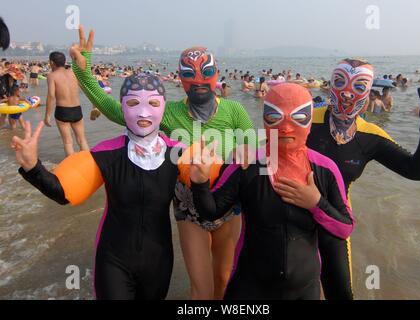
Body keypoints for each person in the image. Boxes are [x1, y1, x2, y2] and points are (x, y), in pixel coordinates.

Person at [70, 27, 254, 300]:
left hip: (229, 205)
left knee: (223, 280)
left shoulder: (234, 110)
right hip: (189, 208)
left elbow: (256, 148)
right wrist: (83, 72)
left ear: (217, 75)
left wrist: (247, 149)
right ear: (180, 78)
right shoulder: (167, 112)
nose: (199, 81)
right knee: (202, 290)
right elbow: (114, 109)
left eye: (206, 73)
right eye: (190, 74)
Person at [12, 73, 184, 300]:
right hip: (114, 260)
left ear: (163, 107)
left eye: (152, 103)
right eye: (133, 103)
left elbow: (214, 194)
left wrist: (241, 158)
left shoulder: (179, 154)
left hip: (159, 261)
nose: (143, 113)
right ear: (122, 107)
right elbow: (63, 192)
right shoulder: (105, 154)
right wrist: (33, 166)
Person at [188, 83, 354, 299]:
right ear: (264, 119)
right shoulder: (247, 164)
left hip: (303, 288)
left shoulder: (325, 169)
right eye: (275, 117)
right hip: (251, 284)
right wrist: (200, 181)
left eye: (298, 117)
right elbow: (210, 212)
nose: (285, 128)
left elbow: (345, 228)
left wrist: (316, 203)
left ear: (310, 121)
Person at [307, 58, 420, 300]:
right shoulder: (306, 119)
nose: (348, 93)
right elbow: (269, 153)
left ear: (368, 93)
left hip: (335, 223)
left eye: (358, 87)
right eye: (340, 82)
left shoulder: (370, 136)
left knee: (340, 295)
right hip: (290, 221)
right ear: (330, 85)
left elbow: (416, 171)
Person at [45, 51, 89, 156]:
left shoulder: (52, 76)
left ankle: (72, 167)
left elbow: (51, 96)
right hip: (77, 109)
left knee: (68, 142)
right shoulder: (73, 73)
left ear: (51, 62)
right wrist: (94, 105)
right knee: (82, 140)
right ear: (64, 62)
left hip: (63, 110)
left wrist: (47, 115)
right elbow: (85, 88)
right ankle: (89, 163)